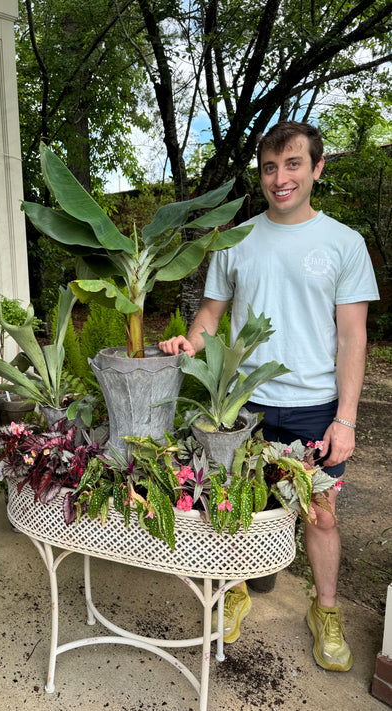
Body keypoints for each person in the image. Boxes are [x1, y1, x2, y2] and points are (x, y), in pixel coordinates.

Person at [158, 120, 380, 672]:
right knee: (235, 507)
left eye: (293, 164)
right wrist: (191, 340)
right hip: (241, 405)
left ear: (317, 168)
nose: (280, 178)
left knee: (321, 514)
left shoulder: (344, 244)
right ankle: (233, 592)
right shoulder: (236, 239)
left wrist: (346, 419)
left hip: (313, 405)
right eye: (269, 168)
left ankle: (324, 612)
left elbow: (353, 336)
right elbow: (210, 315)